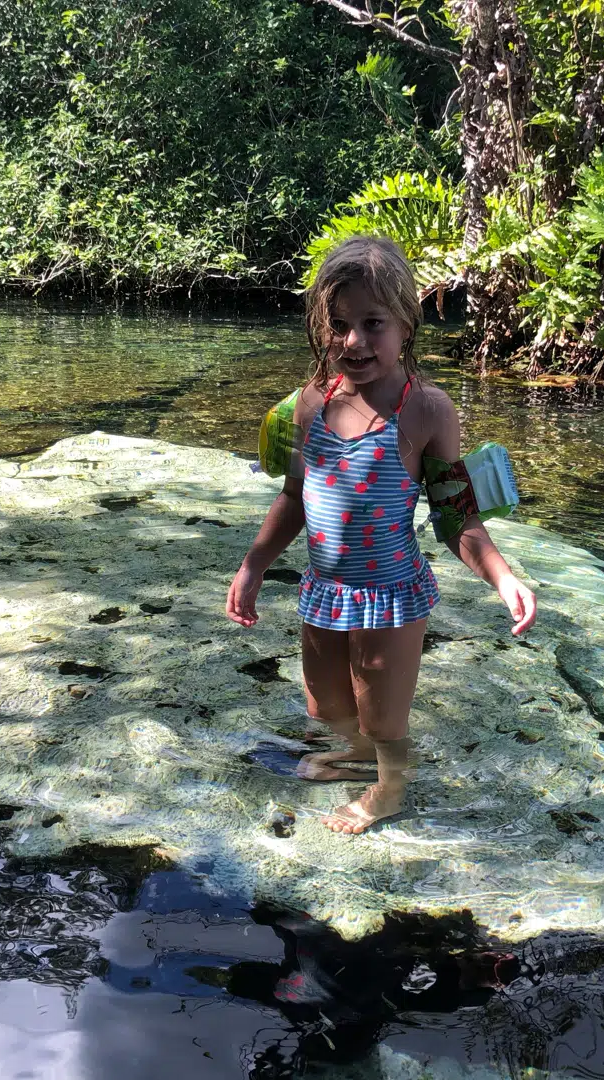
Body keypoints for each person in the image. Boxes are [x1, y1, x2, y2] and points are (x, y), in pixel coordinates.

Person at [226, 235, 537, 834]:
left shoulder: (426, 411)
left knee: (384, 718)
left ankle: (390, 787)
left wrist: (503, 578)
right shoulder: (310, 403)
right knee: (326, 707)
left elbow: (455, 514)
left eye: (373, 323)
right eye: (339, 324)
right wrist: (253, 566)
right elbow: (294, 498)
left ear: (406, 325)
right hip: (327, 588)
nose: (354, 341)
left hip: (391, 594)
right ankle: (360, 754)